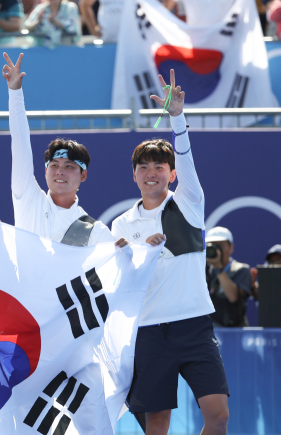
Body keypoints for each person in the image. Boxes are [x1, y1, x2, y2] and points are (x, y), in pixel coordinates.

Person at [112, 70, 230, 435]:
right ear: (133, 175)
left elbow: (186, 156)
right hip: (148, 331)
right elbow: (121, 283)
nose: (151, 173)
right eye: (143, 167)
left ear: (172, 175)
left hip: (195, 324)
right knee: (157, 425)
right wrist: (129, 255)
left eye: (159, 167)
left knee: (218, 415)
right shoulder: (121, 224)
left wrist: (177, 118)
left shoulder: (190, 203)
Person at [2, 53, 114, 246]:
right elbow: (20, 141)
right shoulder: (27, 197)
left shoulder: (97, 233)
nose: (60, 170)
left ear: (83, 175)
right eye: (54, 165)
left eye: (69, 166)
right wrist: (15, 92)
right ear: (45, 171)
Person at [205, 226, 252, 327]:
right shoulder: (203, 270)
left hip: (234, 332)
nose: (216, 250)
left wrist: (218, 268)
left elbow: (233, 297)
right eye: (212, 246)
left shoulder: (242, 270)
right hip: (208, 332)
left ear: (231, 247)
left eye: (220, 246)